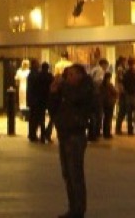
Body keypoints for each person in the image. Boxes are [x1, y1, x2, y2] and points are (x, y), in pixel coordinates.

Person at [49, 63, 95, 218]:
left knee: (75, 173)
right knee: (67, 173)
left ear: (80, 75)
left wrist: (62, 86)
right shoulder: (67, 90)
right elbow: (53, 108)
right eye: (67, 75)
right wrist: (54, 93)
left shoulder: (85, 87)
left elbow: (76, 98)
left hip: (76, 134)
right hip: (64, 133)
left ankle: (78, 209)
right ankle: (73, 207)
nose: (68, 78)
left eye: (72, 75)